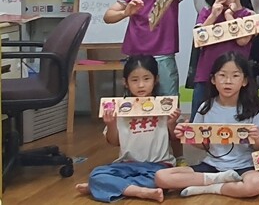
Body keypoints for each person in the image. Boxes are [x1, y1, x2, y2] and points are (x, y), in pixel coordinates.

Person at [105, 0, 191, 161]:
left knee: (170, 108)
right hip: (135, 60)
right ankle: (133, 155)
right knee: (134, 108)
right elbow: (108, 16)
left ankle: (178, 157)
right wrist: (126, 12)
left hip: (163, 57)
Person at [155, 52, 259, 198]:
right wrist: (188, 135)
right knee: (161, 177)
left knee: (256, 184)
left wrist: (257, 137)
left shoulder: (252, 109)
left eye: (235, 76)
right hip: (212, 166)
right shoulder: (206, 107)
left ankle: (209, 188)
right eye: (222, 75)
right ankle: (219, 180)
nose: (228, 81)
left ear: (244, 81)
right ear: (213, 79)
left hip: (244, 167)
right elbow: (204, 145)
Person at [75, 55, 180, 203]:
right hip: (126, 165)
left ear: (155, 79)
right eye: (134, 80)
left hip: (158, 166)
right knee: (96, 174)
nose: (141, 85)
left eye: (146, 79)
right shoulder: (120, 108)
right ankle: (140, 191)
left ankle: (107, 186)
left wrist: (172, 123)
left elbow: (175, 138)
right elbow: (114, 142)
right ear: (125, 82)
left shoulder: (165, 107)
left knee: (162, 179)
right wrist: (111, 124)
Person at [190, 0, 257, 117]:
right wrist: (214, 15)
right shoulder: (207, 13)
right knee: (199, 121)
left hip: (235, 79)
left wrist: (228, 15)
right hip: (206, 76)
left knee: (235, 118)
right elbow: (199, 39)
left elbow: (242, 41)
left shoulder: (249, 15)